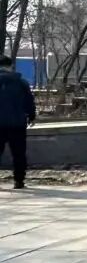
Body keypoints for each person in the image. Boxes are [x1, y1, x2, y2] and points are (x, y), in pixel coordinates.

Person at [0, 56, 36, 189]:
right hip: (17, 124)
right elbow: (29, 102)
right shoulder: (21, 82)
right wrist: (31, 116)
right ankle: (19, 181)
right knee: (19, 154)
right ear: (11, 66)